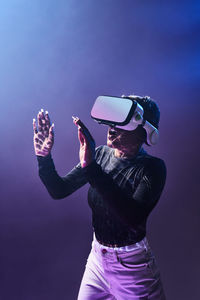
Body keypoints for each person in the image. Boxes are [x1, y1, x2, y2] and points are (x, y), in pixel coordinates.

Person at [33, 95, 167, 300]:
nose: (112, 129)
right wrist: (44, 158)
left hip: (133, 268)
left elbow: (132, 217)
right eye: (112, 122)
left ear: (145, 133)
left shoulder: (153, 168)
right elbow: (59, 190)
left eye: (123, 125)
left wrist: (91, 168)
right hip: (97, 261)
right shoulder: (101, 155)